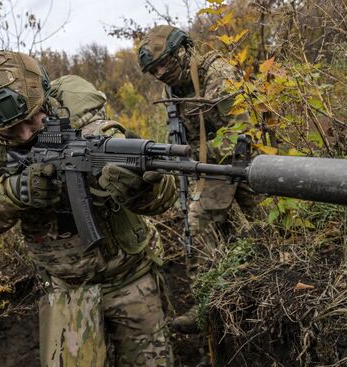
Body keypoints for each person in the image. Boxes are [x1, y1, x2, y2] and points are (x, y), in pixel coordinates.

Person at [0, 50, 177, 366]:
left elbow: (164, 198)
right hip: (65, 290)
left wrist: (141, 188)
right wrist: (14, 192)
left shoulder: (91, 126)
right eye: (10, 132)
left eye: (31, 119)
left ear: (44, 98)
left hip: (131, 276)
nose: (24, 134)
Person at [138, 25, 258, 334]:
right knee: (199, 223)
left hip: (245, 166)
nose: (160, 73)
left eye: (163, 64)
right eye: (154, 70)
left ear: (183, 51)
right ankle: (208, 302)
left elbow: (243, 136)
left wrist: (193, 157)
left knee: (260, 232)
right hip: (209, 169)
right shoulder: (174, 89)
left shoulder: (218, 74)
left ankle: (250, 295)